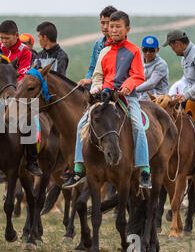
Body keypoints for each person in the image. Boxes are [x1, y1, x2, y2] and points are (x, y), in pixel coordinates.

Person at [63, 10, 152, 190]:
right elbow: (97, 76)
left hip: (126, 97)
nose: (113, 29)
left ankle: (144, 170)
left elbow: (138, 75)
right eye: (111, 26)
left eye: (118, 26)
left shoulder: (134, 51)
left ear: (127, 29)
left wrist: (127, 85)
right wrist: (96, 87)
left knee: (137, 126)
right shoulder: (104, 51)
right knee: (82, 125)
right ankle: (79, 168)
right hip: (104, 96)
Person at [0, 20, 41, 176]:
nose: (4, 41)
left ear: (16, 35)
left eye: (7, 38)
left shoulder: (25, 52)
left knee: (29, 123)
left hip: (19, 93)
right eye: (1, 38)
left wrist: (12, 91)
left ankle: (31, 161)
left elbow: (23, 75)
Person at [163, 29, 195, 181]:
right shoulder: (184, 58)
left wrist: (186, 94)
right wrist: (179, 95)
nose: (172, 50)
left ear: (177, 43)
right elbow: (188, 80)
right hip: (192, 100)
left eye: (171, 46)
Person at [78, 5, 118, 88]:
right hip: (95, 85)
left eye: (108, 23)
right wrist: (86, 80)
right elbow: (92, 68)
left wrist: (90, 80)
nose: (105, 27)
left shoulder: (120, 45)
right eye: (102, 23)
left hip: (112, 87)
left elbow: (115, 73)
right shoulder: (98, 43)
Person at [136, 35, 169, 100]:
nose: (148, 53)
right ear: (141, 48)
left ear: (157, 50)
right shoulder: (137, 60)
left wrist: (131, 89)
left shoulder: (161, 64)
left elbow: (151, 83)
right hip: (141, 98)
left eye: (151, 50)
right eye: (145, 50)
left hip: (158, 99)